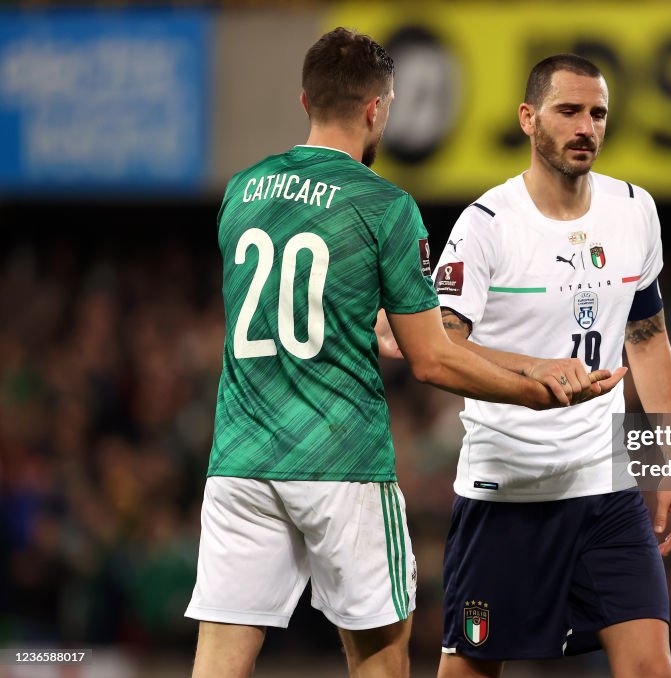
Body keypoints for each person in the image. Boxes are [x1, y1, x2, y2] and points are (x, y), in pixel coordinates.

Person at [184, 29, 626, 678]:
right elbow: (433, 360)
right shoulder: (384, 206)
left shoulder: (242, 192)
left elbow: (317, 311)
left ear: (307, 98)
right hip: (342, 462)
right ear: (378, 109)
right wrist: (542, 391)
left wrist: (528, 361)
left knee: (219, 662)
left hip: (241, 461)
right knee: (382, 664)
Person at [432, 54, 671, 678]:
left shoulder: (634, 210)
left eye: (598, 113)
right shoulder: (486, 225)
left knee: (652, 667)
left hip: (605, 490)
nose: (587, 127)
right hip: (506, 492)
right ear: (528, 118)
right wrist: (532, 374)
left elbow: (649, 340)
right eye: (569, 111)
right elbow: (441, 346)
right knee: (470, 670)